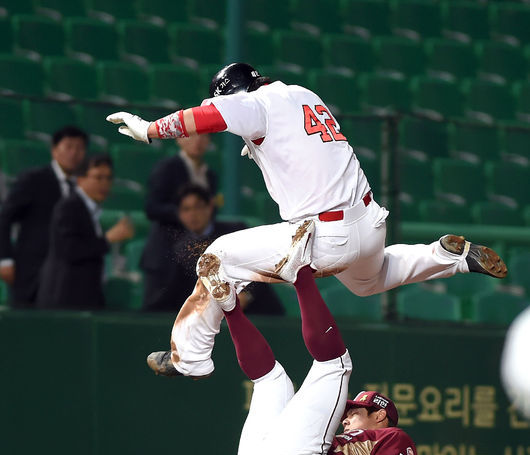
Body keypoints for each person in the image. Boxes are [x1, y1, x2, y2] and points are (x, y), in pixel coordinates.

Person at [106, 62, 507, 379]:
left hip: (325, 235)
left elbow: (206, 117)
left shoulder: (253, 103)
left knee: (216, 257)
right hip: (368, 222)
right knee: (368, 282)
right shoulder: (301, 93)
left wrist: (151, 129)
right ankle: (449, 257)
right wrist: (262, 148)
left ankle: (189, 359)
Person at [194, 244, 417, 455]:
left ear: (380, 415)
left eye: (355, 413)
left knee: (336, 364)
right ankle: (230, 307)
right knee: (271, 380)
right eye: (347, 414)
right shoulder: (333, 440)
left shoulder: (394, 437)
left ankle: (300, 271)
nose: (345, 420)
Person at [142, 184, 284, 315]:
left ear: (209, 207)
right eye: (186, 209)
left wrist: (246, 295)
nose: (192, 214)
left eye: (198, 207)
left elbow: (258, 268)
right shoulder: (179, 249)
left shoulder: (235, 231)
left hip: (257, 313)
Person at [0, 126, 88, 307]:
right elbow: (4, 218)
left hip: (67, 276)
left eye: (79, 148)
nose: (74, 153)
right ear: (54, 150)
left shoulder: (83, 187)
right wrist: (5, 259)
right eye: (68, 147)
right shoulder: (34, 179)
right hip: (32, 271)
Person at [37, 154, 134, 310]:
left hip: (84, 298)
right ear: (80, 179)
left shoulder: (91, 210)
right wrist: (108, 239)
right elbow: (70, 249)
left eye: (108, 178)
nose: (104, 183)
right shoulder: (69, 207)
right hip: (66, 299)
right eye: (98, 177)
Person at [141, 133, 218, 307]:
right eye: (191, 136)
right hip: (164, 256)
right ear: (179, 139)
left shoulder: (210, 175)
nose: (198, 141)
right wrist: (183, 214)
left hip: (194, 257)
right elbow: (152, 207)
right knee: (158, 312)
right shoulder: (167, 168)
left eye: (203, 136)